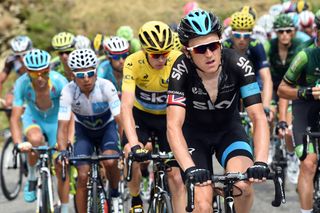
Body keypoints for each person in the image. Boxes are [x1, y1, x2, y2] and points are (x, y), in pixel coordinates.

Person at [167, 9, 270, 213]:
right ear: (187, 51)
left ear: (220, 42)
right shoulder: (180, 70)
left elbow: (258, 118)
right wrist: (189, 169)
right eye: (200, 49)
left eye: (213, 46)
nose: (209, 54)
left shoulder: (239, 64)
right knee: (202, 205)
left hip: (229, 132)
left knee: (242, 186)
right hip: (194, 136)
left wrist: (260, 161)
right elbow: (173, 126)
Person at [121, 21, 184, 212]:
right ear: (144, 50)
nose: (162, 60)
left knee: (176, 175)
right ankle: (135, 199)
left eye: (165, 53)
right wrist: (133, 145)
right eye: (156, 55)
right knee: (129, 155)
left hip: (168, 118)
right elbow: (126, 106)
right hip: (142, 116)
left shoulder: (177, 59)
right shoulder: (133, 62)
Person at [57, 48, 123, 213]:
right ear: (73, 75)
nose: (86, 79)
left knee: (110, 161)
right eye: (80, 75)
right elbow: (63, 126)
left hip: (106, 129)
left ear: (96, 71)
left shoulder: (107, 86)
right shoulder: (68, 91)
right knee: (82, 175)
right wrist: (63, 150)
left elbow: (120, 121)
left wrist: (126, 145)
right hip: (84, 131)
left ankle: (114, 192)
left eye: (90, 73)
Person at [10, 49, 69, 211]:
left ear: (49, 68)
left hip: (56, 121)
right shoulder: (22, 83)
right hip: (33, 118)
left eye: (44, 72)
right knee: (34, 141)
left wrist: (66, 141)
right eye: (35, 74)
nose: (41, 78)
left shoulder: (59, 82)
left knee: (60, 164)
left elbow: (70, 115)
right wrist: (17, 143)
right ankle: (32, 176)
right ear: (28, 72)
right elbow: (15, 118)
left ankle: (64, 208)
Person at [277, 26, 320, 213]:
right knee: (309, 163)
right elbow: (282, 90)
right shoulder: (305, 55)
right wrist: (306, 92)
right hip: (305, 107)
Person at [264, 13, 302, 183]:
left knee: (288, 122)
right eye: (281, 32)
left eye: (288, 31)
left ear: (293, 32)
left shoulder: (300, 46)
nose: (285, 34)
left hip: (290, 87)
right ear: (276, 33)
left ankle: (292, 156)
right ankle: (270, 145)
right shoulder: (269, 46)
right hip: (273, 86)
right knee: (269, 114)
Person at [223, 11, 273, 119]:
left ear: (251, 34)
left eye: (246, 36)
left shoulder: (256, 45)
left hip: (253, 81)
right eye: (237, 35)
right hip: (232, 82)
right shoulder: (225, 46)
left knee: (265, 115)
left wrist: (265, 106)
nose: (242, 39)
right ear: (231, 33)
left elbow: (267, 78)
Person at [0, 35, 33, 110]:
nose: (21, 58)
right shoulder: (10, 60)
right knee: (8, 103)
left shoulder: (38, 55)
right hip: (22, 84)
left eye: (24, 54)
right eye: (18, 56)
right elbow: (1, 79)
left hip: (38, 83)